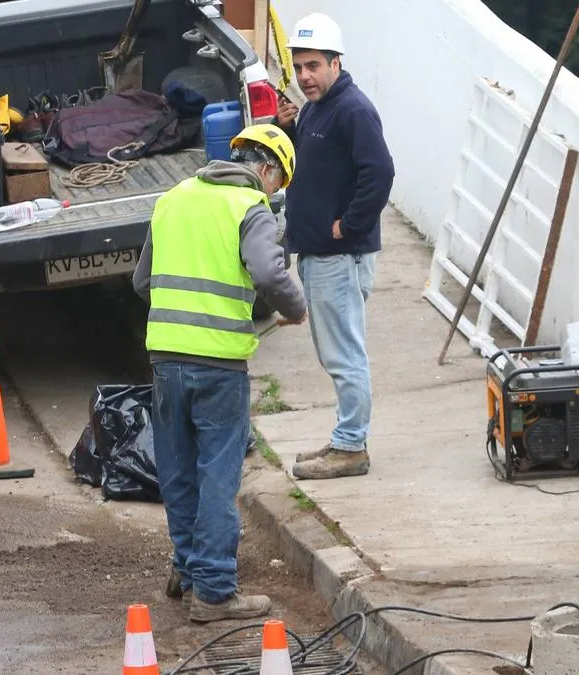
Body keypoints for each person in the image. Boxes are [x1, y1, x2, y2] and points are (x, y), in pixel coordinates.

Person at [132, 124, 308, 623]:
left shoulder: (173, 200)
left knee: (178, 470)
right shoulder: (249, 207)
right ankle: (213, 590)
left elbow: (143, 281)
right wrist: (295, 307)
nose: (273, 195)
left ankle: (187, 569)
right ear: (267, 170)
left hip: (166, 360)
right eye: (277, 185)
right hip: (218, 366)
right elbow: (269, 272)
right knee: (216, 476)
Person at [275, 12, 395, 481]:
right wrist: (290, 130)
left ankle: (350, 447)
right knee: (336, 353)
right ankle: (346, 437)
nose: (305, 76)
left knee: (344, 355)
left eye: (314, 66)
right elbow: (318, 164)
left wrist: (350, 225)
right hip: (319, 253)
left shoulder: (353, 110)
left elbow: (379, 172)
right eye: (299, 67)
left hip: (339, 256)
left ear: (335, 63)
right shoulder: (316, 108)